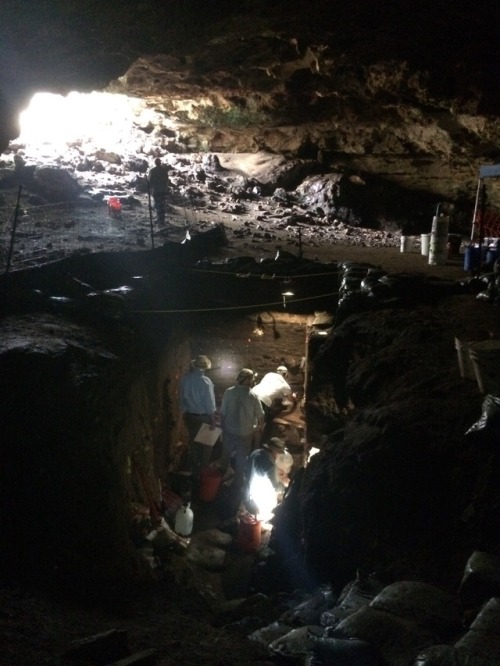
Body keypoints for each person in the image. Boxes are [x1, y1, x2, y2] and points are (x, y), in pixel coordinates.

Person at [219, 368, 265, 493]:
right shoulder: (253, 396)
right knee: (241, 456)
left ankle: (221, 475)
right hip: (245, 432)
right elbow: (260, 415)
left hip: (229, 429)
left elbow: (223, 412)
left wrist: (222, 426)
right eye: (252, 379)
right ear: (248, 380)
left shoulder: (229, 392)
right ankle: (238, 482)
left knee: (226, 451)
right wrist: (259, 427)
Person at [179, 355, 217, 480]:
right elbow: (210, 404)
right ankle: (203, 472)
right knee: (206, 446)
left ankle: (195, 471)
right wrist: (213, 420)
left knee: (194, 443)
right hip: (203, 417)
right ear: (205, 368)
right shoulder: (206, 382)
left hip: (190, 416)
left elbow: (181, 399)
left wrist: (184, 413)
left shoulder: (185, 379)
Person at [243, 437, 290, 515]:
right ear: (274, 452)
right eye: (278, 453)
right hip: (259, 496)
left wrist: (276, 471)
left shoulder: (256, 452)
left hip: (248, 490)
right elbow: (276, 488)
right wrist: (285, 485)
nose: (278, 456)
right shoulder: (269, 466)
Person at [251, 366, 295, 431]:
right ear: (285, 374)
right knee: (260, 423)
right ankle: (256, 440)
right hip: (263, 399)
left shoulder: (269, 374)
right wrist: (294, 397)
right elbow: (291, 399)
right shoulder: (285, 385)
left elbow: (270, 388)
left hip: (251, 393)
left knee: (246, 416)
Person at [148, 157, 170, 226]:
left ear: (155, 163)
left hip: (156, 191)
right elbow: (166, 180)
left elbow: (150, 181)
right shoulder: (164, 170)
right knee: (162, 205)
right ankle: (162, 220)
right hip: (163, 190)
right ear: (160, 163)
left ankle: (159, 219)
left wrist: (149, 188)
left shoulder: (152, 171)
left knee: (157, 205)